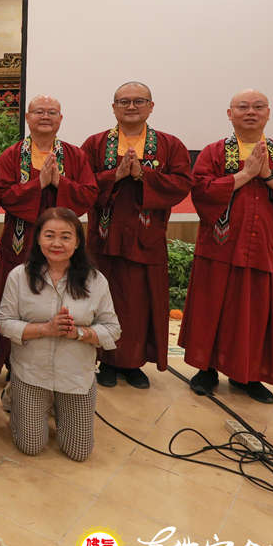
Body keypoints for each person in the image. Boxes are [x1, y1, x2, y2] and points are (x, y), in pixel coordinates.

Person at [178, 90, 273, 403]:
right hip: (220, 248)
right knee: (213, 309)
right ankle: (206, 370)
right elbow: (201, 191)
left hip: (264, 249)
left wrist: (268, 176)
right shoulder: (215, 153)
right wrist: (244, 175)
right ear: (230, 114)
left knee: (257, 313)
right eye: (243, 107)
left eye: (258, 107)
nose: (250, 112)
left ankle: (249, 376)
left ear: (268, 113)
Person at [81, 82, 192, 389]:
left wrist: (144, 174)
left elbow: (182, 184)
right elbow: (82, 185)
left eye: (139, 101)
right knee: (104, 299)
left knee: (140, 302)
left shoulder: (170, 145)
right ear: (114, 107)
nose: (131, 106)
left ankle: (133, 363)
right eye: (124, 101)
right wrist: (114, 175)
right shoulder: (95, 144)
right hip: (105, 239)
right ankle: (106, 361)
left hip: (146, 240)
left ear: (151, 106)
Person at [0, 208, 120, 462]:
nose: (56, 243)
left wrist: (79, 333)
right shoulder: (19, 276)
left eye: (65, 237)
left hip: (75, 376)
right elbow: (4, 323)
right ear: (38, 239)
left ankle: (56, 405)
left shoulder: (95, 280)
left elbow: (112, 329)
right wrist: (45, 329)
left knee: (79, 452)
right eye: (49, 235)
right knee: (31, 445)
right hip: (31, 373)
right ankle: (14, 394)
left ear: (77, 242)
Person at [0, 95, 97, 375]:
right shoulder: (12, 155)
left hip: (63, 247)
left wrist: (60, 183)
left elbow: (88, 194)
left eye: (51, 112)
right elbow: (3, 195)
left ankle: (62, 359)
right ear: (27, 117)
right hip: (21, 242)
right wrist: (38, 184)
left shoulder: (75, 156)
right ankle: (14, 365)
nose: (45, 116)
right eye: (39, 112)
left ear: (61, 118)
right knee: (18, 299)